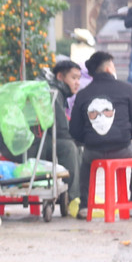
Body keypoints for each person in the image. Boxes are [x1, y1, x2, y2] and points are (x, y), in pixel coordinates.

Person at [68, 51, 132, 219]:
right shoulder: (127, 89)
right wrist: (124, 137)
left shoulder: (83, 95)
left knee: (85, 162)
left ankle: (84, 206)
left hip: (93, 151)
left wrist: (91, 139)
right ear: (109, 68)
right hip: (123, 148)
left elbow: (74, 130)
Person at [47, 59, 83, 217]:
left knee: (76, 146)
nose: (77, 83)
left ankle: (79, 195)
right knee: (70, 147)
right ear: (60, 77)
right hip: (38, 144)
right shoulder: (54, 94)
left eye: (79, 78)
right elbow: (61, 129)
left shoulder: (59, 93)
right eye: (74, 78)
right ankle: (74, 198)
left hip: (48, 140)